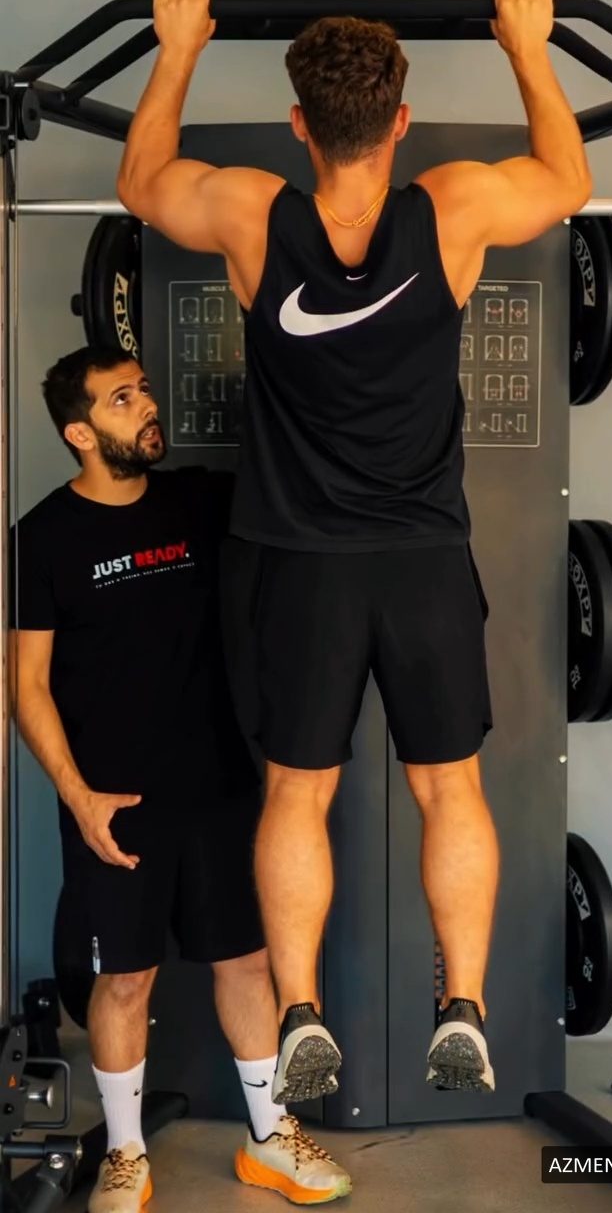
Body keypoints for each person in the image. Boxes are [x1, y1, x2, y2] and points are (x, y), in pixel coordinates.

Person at [115, 0, 593, 1106]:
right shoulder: (453, 207)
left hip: (298, 562)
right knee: (450, 786)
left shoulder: (252, 216)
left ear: (299, 124)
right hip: (423, 559)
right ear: (399, 118)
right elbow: (568, 179)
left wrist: (177, 47)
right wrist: (528, 47)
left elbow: (140, 182)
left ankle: (299, 1011)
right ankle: (462, 1002)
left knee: (296, 793)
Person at [9, 346, 351, 1211]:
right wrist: (78, 798)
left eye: (145, 390)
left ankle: (270, 1138)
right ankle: (125, 1155)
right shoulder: (40, 537)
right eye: (122, 399)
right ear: (80, 432)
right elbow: (27, 686)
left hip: (221, 784)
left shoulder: (199, 501)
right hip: (114, 803)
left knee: (248, 962)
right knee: (124, 980)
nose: (146, 405)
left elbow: (299, 489)